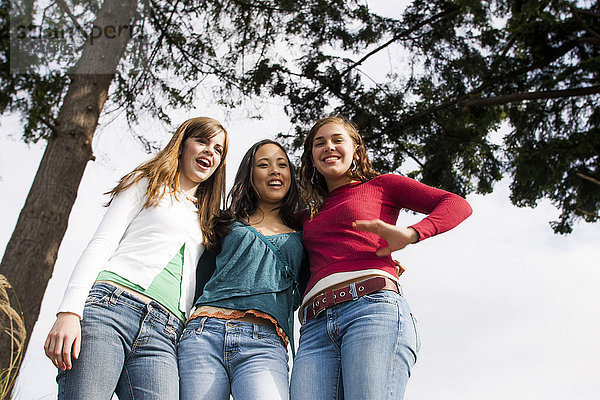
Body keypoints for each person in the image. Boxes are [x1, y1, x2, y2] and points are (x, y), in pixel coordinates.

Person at [44, 117, 228, 400]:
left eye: (218, 149)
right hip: (111, 308)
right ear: (182, 145)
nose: (209, 152)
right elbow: (102, 242)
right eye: (202, 142)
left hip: (166, 331)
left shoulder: (207, 217)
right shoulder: (146, 182)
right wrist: (69, 311)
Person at [290, 115, 473, 400]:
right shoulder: (305, 217)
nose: (328, 147)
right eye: (319, 143)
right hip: (314, 327)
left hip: (370, 311)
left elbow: (455, 204)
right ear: (311, 157)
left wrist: (412, 233)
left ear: (356, 150)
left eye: (337, 140)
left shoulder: (381, 185)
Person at [178, 139, 306, 400]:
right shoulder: (225, 223)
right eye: (263, 164)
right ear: (250, 175)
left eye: (282, 165)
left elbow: (313, 284)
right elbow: (195, 278)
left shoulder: (304, 234)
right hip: (204, 333)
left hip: (265, 341)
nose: (274, 170)